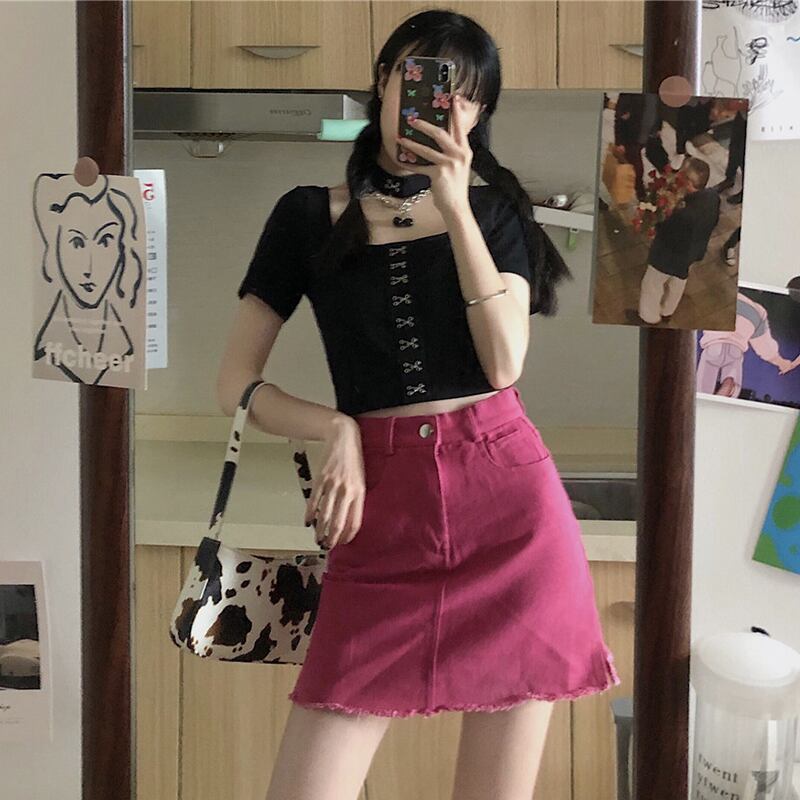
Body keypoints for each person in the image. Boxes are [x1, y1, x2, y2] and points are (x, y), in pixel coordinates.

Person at [219, 11, 620, 800]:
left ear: (479, 113)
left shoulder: (498, 214)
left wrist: (457, 205)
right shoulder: (306, 216)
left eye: (463, 95)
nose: (438, 105)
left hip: (510, 517)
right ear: (381, 83)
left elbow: (503, 365)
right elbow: (235, 381)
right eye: (420, 78)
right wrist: (335, 427)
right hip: (380, 520)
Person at [636, 157, 721, 325]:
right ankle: (667, 311)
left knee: (652, 284)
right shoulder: (713, 196)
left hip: (669, 256)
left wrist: (655, 220)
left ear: (688, 182)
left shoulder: (684, 215)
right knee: (678, 281)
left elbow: (665, 231)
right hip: (692, 252)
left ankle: (649, 317)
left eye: (681, 174)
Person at [697, 292, 800, 397]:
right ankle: (730, 382)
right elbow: (765, 346)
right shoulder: (758, 311)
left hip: (713, 346)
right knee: (733, 383)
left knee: (701, 389)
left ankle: (703, 396)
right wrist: (781, 362)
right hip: (736, 350)